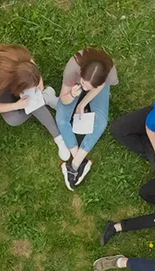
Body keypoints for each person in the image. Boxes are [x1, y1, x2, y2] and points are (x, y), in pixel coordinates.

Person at [0, 44, 70, 162]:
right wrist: (15, 105)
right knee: (13, 119)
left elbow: (30, 63)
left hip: (15, 78)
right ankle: (45, 98)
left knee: (32, 100)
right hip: (2, 87)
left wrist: (39, 83)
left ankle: (58, 137)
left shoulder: (20, 57)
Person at [55, 48, 118, 190]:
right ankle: (78, 164)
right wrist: (71, 95)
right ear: (81, 74)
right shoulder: (72, 69)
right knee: (61, 119)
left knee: (100, 123)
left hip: (96, 85)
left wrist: (83, 103)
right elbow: (64, 100)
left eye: (88, 87)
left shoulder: (108, 74)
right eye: (83, 83)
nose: (84, 88)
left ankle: (75, 164)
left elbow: (99, 87)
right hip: (72, 89)